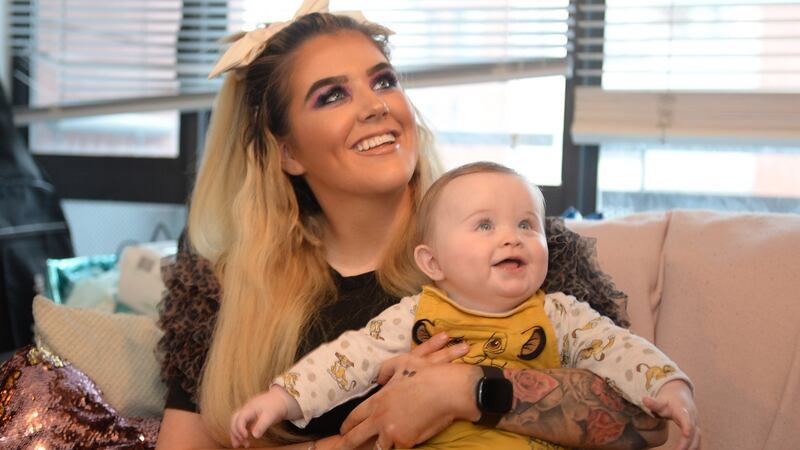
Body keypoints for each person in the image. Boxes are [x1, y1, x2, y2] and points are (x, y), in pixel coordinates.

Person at [155, 1, 684, 449]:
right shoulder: (219, 288)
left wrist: (462, 391)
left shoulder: (517, 247)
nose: (375, 106)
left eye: (383, 81)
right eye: (332, 95)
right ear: (287, 151)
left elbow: (644, 424)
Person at [228, 162, 700, 450]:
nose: (512, 237)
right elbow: (345, 361)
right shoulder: (412, 315)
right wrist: (281, 399)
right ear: (432, 262)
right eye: (485, 226)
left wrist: (669, 385)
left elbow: (618, 349)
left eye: (526, 224)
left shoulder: (562, 315)